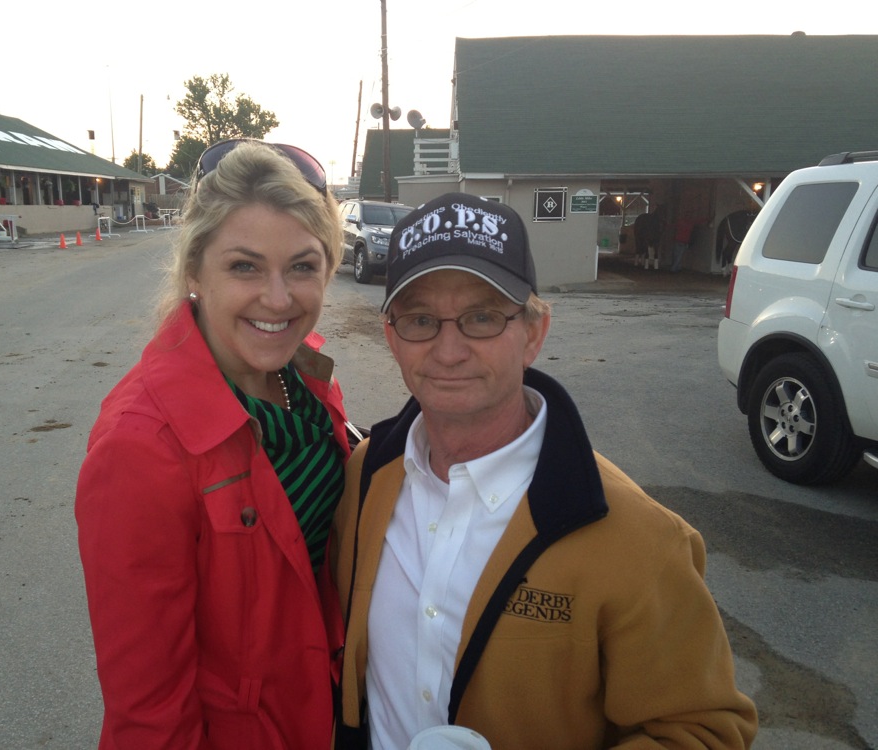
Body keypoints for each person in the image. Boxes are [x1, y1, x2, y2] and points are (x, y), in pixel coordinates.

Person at [330, 192, 757, 749]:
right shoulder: (366, 478)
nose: (449, 349)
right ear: (392, 338)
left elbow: (703, 731)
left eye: (482, 317)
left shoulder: (639, 539)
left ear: (534, 332)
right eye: (420, 319)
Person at [76, 139, 353, 749]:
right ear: (195, 270)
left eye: (303, 267)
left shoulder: (302, 379)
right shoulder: (140, 446)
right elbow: (147, 714)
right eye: (245, 266)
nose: (278, 300)